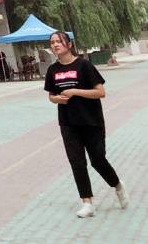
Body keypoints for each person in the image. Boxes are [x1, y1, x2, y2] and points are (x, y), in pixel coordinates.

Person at [44, 30, 128, 218]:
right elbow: (51, 95)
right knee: (77, 162)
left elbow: (100, 92)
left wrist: (75, 91)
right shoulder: (52, 70)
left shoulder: (84, 65)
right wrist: (56, 99)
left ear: (69, 44)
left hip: (91, 121)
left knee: (98, 160)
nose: (55, 45)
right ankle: (87, 202)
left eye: (59, 41)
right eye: (52, 42)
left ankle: (117, 185)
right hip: (68, 123)